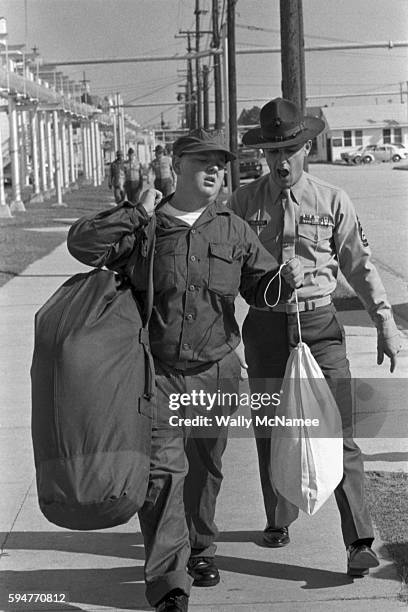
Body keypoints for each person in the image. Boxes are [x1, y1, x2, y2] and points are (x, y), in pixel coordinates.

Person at [67, 128, 302, 612]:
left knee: (205, 471)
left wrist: (283, 281)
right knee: (163, 477)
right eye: (203, 162)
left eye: (221, 163)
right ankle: (169, 583)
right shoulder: (147, 227)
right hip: (158, 374)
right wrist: (136, 210)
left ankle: (200, 549)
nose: (215, 170)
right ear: (177, 167)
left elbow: (260, 291)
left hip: (217, 372)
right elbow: (83, 245)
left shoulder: (233, 228)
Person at [229, 97, 402, 577]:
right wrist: (225, 332)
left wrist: (385, 322)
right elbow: (222, 269)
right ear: (262, 155)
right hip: (265, 328)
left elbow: (359, 266)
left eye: (289, 150)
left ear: (306, 147)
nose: (280, 161)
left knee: (340, 432)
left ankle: (359, 542)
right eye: (271, 152)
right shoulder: (242, 203)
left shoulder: (333, 201)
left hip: (320, 326)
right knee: (269, 429)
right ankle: (278, 518)